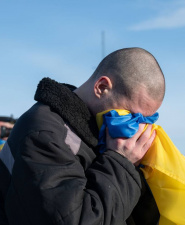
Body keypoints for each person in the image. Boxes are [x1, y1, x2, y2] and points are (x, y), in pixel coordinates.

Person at [0, 47, 165, 225]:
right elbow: (76, 220)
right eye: (131, 116)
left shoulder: (99, 135)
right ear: (101, 87)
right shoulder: (44, 133)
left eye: (146, 120)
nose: (138, 128)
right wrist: (121, 162)